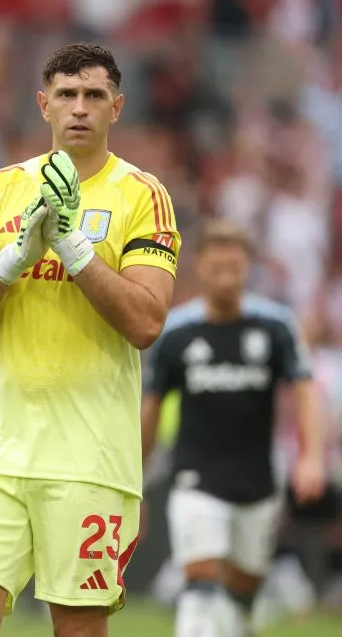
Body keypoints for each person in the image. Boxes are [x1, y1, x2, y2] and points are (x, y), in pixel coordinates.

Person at [0, 42, 180, 637]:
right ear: (43, 104)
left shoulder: (142, 195)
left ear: (116, 107)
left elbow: (146, 322)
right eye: (66, 94)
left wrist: (73, 248)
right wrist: (15, 257)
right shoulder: (2, 188)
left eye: (94, 95)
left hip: (88, 456)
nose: (80, 107)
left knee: (77, 628)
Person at [141, 218, 325, 637]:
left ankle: (241, 620)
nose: (226, 275)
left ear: (248, 267)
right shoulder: (176, 333)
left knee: (244, 591)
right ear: (200, 267)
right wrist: (137, 480)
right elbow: (150, 408)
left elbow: (305, 391)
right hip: (196, 478)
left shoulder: (276, 326)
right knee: (200, 583)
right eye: (217, 266)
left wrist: (311, 457)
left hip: (257, 480)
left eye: (235, 266)